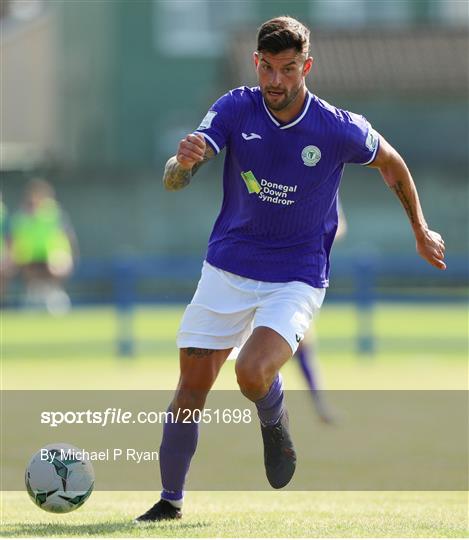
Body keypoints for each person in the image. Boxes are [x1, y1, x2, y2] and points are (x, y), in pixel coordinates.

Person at [136, 16, 445, 522]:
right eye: (267, 68)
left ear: (307, 66)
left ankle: (273, 417)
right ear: (255, 62)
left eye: (287, 69)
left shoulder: (337, 126)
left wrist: (420, 228)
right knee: (190, 389)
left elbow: (393, 163)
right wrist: (183, 164)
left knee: (252, 372)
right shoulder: (235, 107)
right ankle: (170, 503)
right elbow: (175, 180)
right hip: (227, 267)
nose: (275, 80)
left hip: (297, 274)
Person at [294, 201, 347, 424]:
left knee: (302, 343)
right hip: (262, 268)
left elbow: (340, 225)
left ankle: (319, 404)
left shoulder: (324, 177)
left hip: (300, 272)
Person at [10, 178, 78, 315]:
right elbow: (15, 240)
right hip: (29, 257)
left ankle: (55, 298)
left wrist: (69, 256)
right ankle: (35, 297)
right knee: (28, 270)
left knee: (56, 266)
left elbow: (68, 237)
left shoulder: (54, 214)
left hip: (53, 256)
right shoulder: (22, 217)